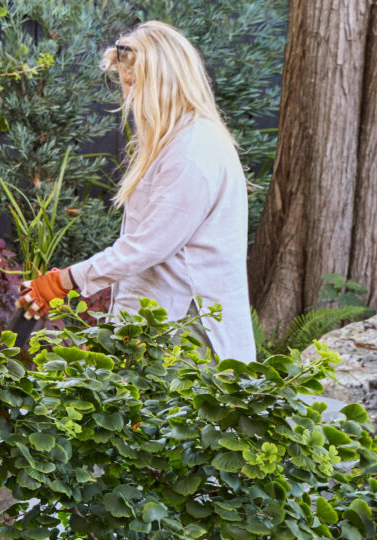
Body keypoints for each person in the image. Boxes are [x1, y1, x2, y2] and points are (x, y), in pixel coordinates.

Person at [18, 21, 255, 362]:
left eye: (132, 83)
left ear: (163, 82)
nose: (127, 95)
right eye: (124, 84)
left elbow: (147, 247)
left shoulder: (193, 151)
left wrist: (65, 281)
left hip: (188, 329)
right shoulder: (177, 141)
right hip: (162, 325)